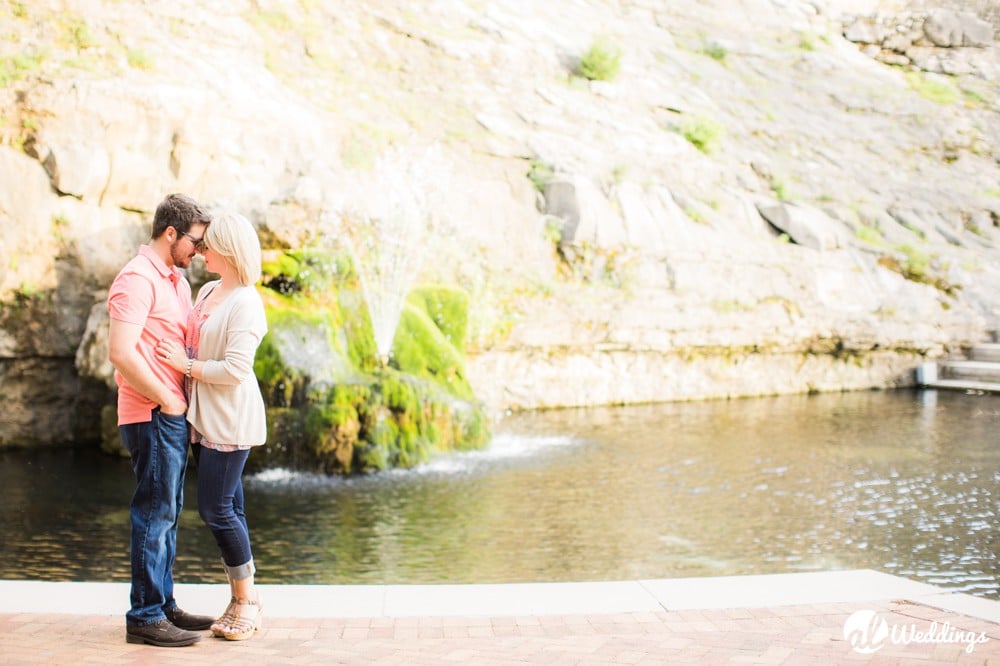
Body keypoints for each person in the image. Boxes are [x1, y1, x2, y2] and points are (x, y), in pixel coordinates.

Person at [107, 193, 215, 647]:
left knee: (167, 514)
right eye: (195, 242)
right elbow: (120, 352)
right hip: (151, 411)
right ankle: (145, 616)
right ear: (170, 233)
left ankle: (163, 603)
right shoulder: (136, 279)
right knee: (153, 513)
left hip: (170, 413)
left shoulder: (175, 281)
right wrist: (168, 399)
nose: (200, 252)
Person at [155, 209, 268, 642]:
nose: (201, 249)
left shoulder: (247, 303)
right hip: (204, 418)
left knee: (216, 509)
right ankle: (245, 596)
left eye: (209, 243)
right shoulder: (208, 290)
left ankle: (247, 601)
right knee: (229, 508)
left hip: (230, 419)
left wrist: (188, 366)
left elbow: (236, 370)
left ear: (229, 249)